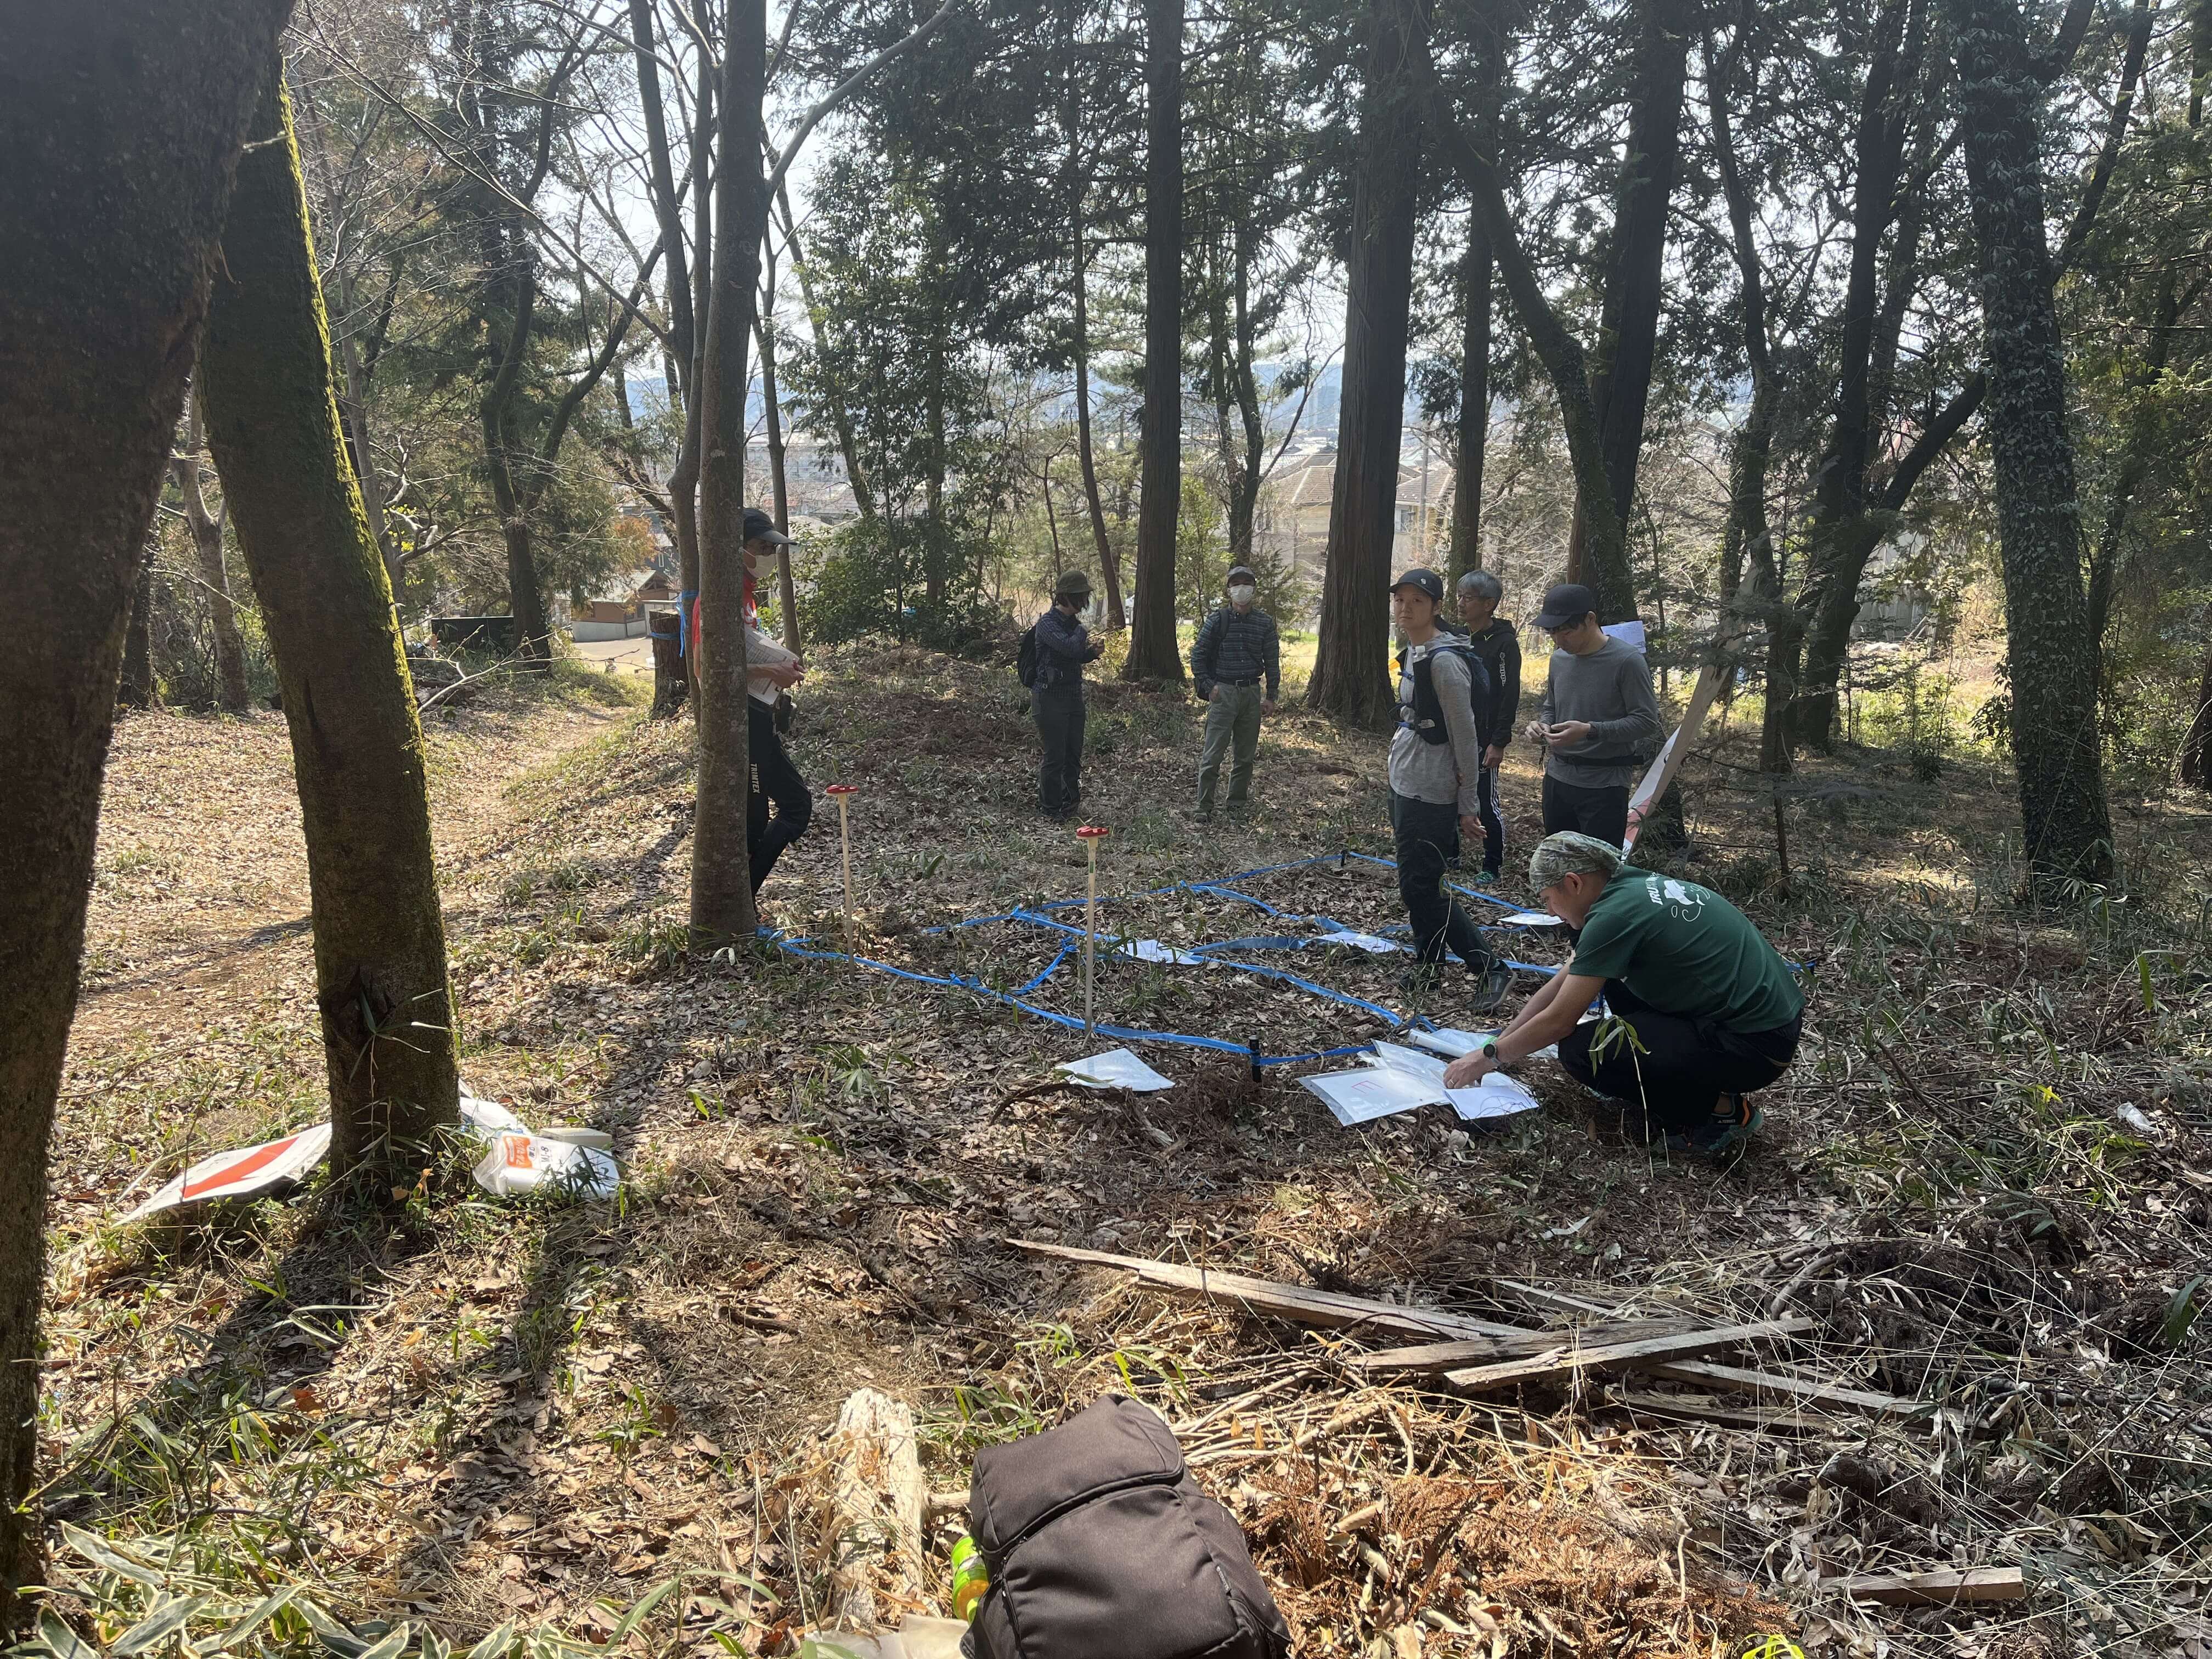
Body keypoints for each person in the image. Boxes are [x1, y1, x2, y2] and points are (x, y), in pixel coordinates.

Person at [1443, 832, 1804, 1157]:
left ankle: (1723, 1112)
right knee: (1609, 983)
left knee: (1582, 1052)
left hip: (1756, 1047)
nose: (1549, 911)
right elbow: (1558, 988)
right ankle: (1662, 1074)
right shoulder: (1627, 888)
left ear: (1573, 883)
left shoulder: (1614, 917)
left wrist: (1489, 1059)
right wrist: (1498, 1044)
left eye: (1548, 899)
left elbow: (1558, 1022)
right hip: (1760, 1023)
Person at [1387, 568, 1510, 1006]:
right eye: (1400, 600)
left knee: (1423, 887)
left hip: (1431, 791)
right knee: (1418, 884)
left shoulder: (1445, 662)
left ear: (1436, 607)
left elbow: (1465, 736)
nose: (1406, 609)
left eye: (1417, 601)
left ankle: (1491, 969)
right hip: (1407, 781)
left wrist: (1468, 804)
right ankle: (1429, 968)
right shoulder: (1414, 648)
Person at [1522, 582, 1662, 847]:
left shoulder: (1627, 661)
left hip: (1605, 785)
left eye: (1567, 631)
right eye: (1553, 633)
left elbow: (1646, 721)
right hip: (1558, 779)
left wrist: (1590, 730)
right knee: (1558, 858)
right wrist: (1542, 726)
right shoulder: (1559, 659)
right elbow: (1552, 706)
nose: (1559, 641)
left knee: (1597, 865)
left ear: (1590, 619)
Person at [739, 508, 811, 893]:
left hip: (760, 715)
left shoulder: (747, 595)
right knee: (787, 808)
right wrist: (772, 670)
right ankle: (743, 898)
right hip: (743, 724)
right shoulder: (714, 599)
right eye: (762, 547)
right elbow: (706, 669)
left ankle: (744, 901)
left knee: (766, 815)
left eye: (772, 549)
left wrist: (780, 669)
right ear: (737, 548)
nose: (768, 555)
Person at [1189, 563, 1282, 822]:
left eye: (1246, 584)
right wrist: (1209, 686)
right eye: (1236, 584)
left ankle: (1237, 806)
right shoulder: (1217, 620)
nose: (1242, 589)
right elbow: (1197, 656)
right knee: (1213, 754)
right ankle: (1203, 807)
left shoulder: (1264, 623)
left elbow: (1272, 660)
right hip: (1224, 692)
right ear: (1229, 589)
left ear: (1254, 588)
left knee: (1245, 756)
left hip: (1251, 693)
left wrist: (1271, 696)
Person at [1456, 570, 1520, 885]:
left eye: (1468, 598)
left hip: (1485, 737)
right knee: (1448, 792)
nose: (1461, 603)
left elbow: (1509, 695)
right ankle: (1451, 856)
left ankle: (1492, 864)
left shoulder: (1504, 643)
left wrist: (1499, 741)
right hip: (1457, 732)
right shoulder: (1458, 637)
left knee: (1484, 798)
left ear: (1489, 604)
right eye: (1460, 596)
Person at [1032, 570, 1104, 820]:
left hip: (1073, 697)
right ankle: (1051, 809)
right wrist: (1083, 632)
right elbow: (1070, 647)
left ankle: (1070, 805)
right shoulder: (1047, 624)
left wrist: (1091, 653)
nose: (1084, 601)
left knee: (1073, 754)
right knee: (1055, 756)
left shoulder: (1072, 625)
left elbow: (1075, 656)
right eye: (1081, 596)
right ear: (1067, 597)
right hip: (1049, 698)